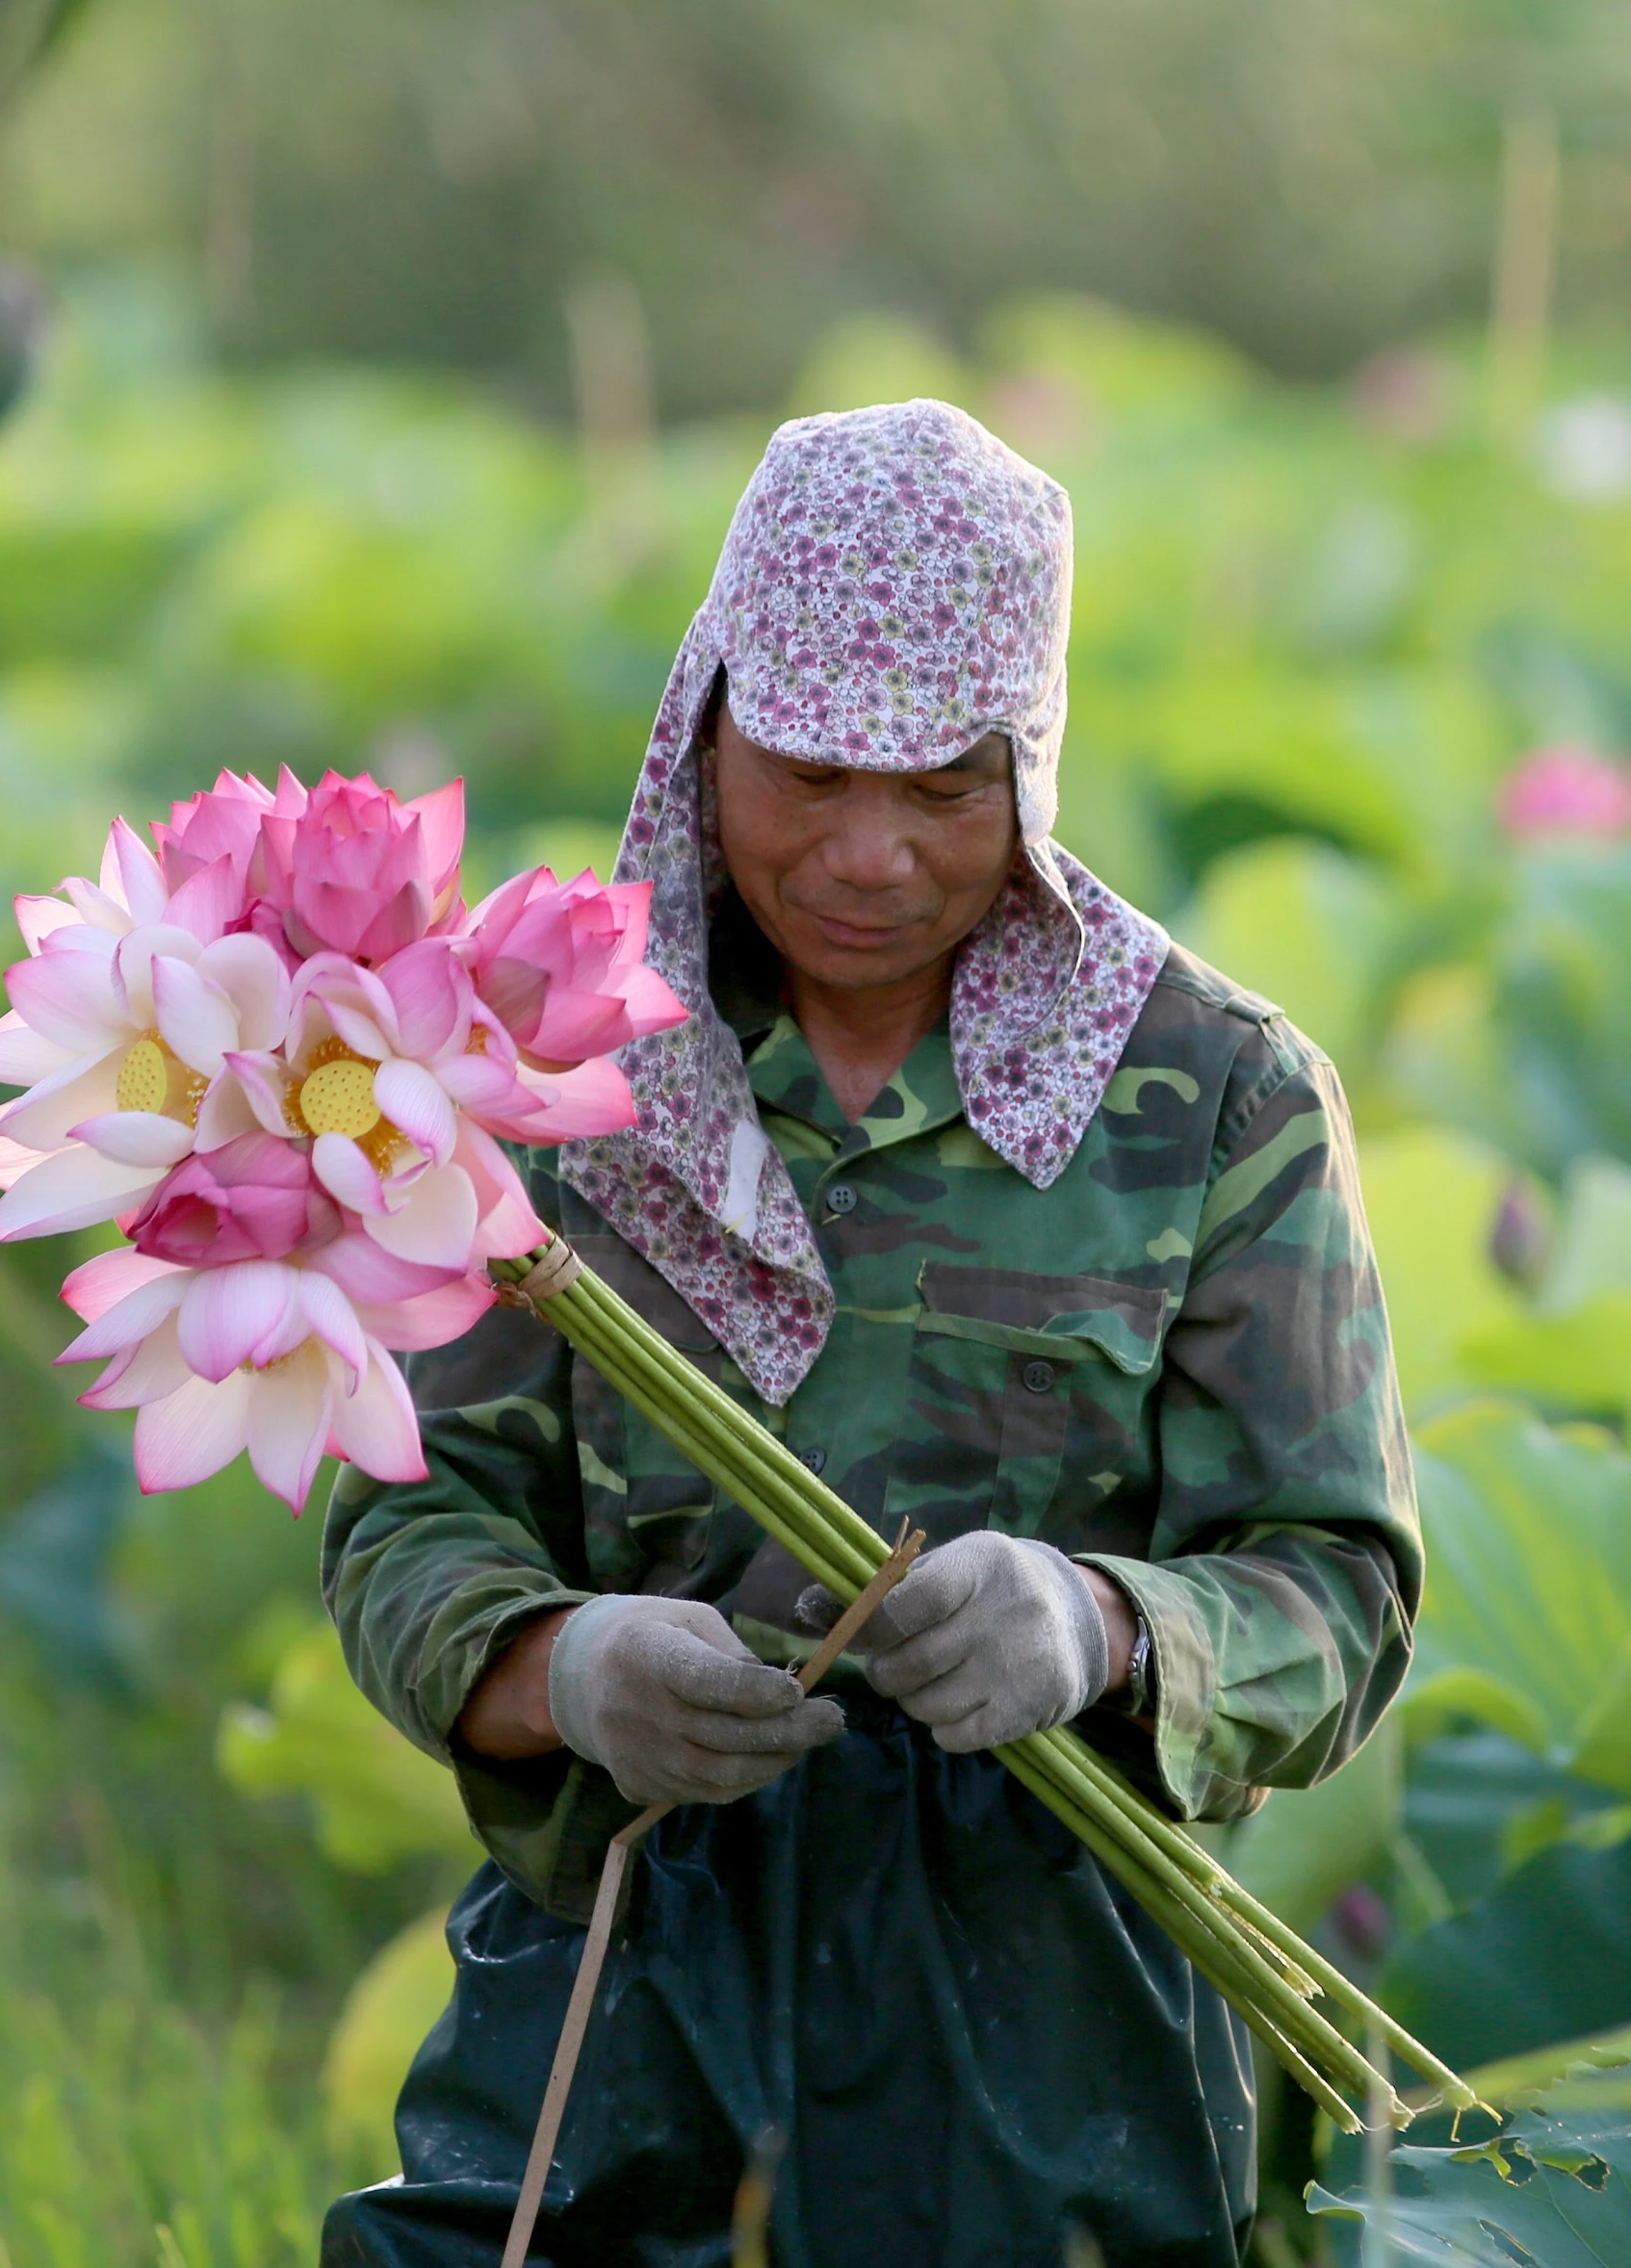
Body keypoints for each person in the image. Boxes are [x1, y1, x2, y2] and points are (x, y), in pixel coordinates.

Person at [318, 399, 1418, 2268]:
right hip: (630, 1966)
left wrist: (1107, 1628)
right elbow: (404, 1522)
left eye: (942, 788)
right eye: (812, 773)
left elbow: (1340, 1586)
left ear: (1031, 762)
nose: (870, 851)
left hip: (1060, 1992)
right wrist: (561, 1664)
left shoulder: (1219, 1095)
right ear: (710, 722)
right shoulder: (539, 1057)